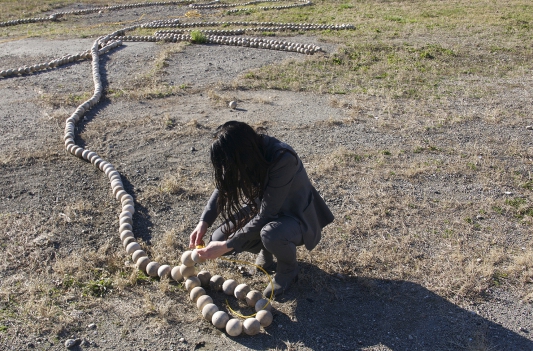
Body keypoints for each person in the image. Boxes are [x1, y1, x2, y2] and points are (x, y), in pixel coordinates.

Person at [189, 121, 334, 298]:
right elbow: (223, 189)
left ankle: (288, 269)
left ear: (242, 154)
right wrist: (203, 223)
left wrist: (227, 246)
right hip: (263, 211)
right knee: (220, 236)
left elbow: (267, 214)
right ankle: (268, 250)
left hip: (296, 215)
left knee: (270, 234)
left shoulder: (283, 159)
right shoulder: (245, 152)